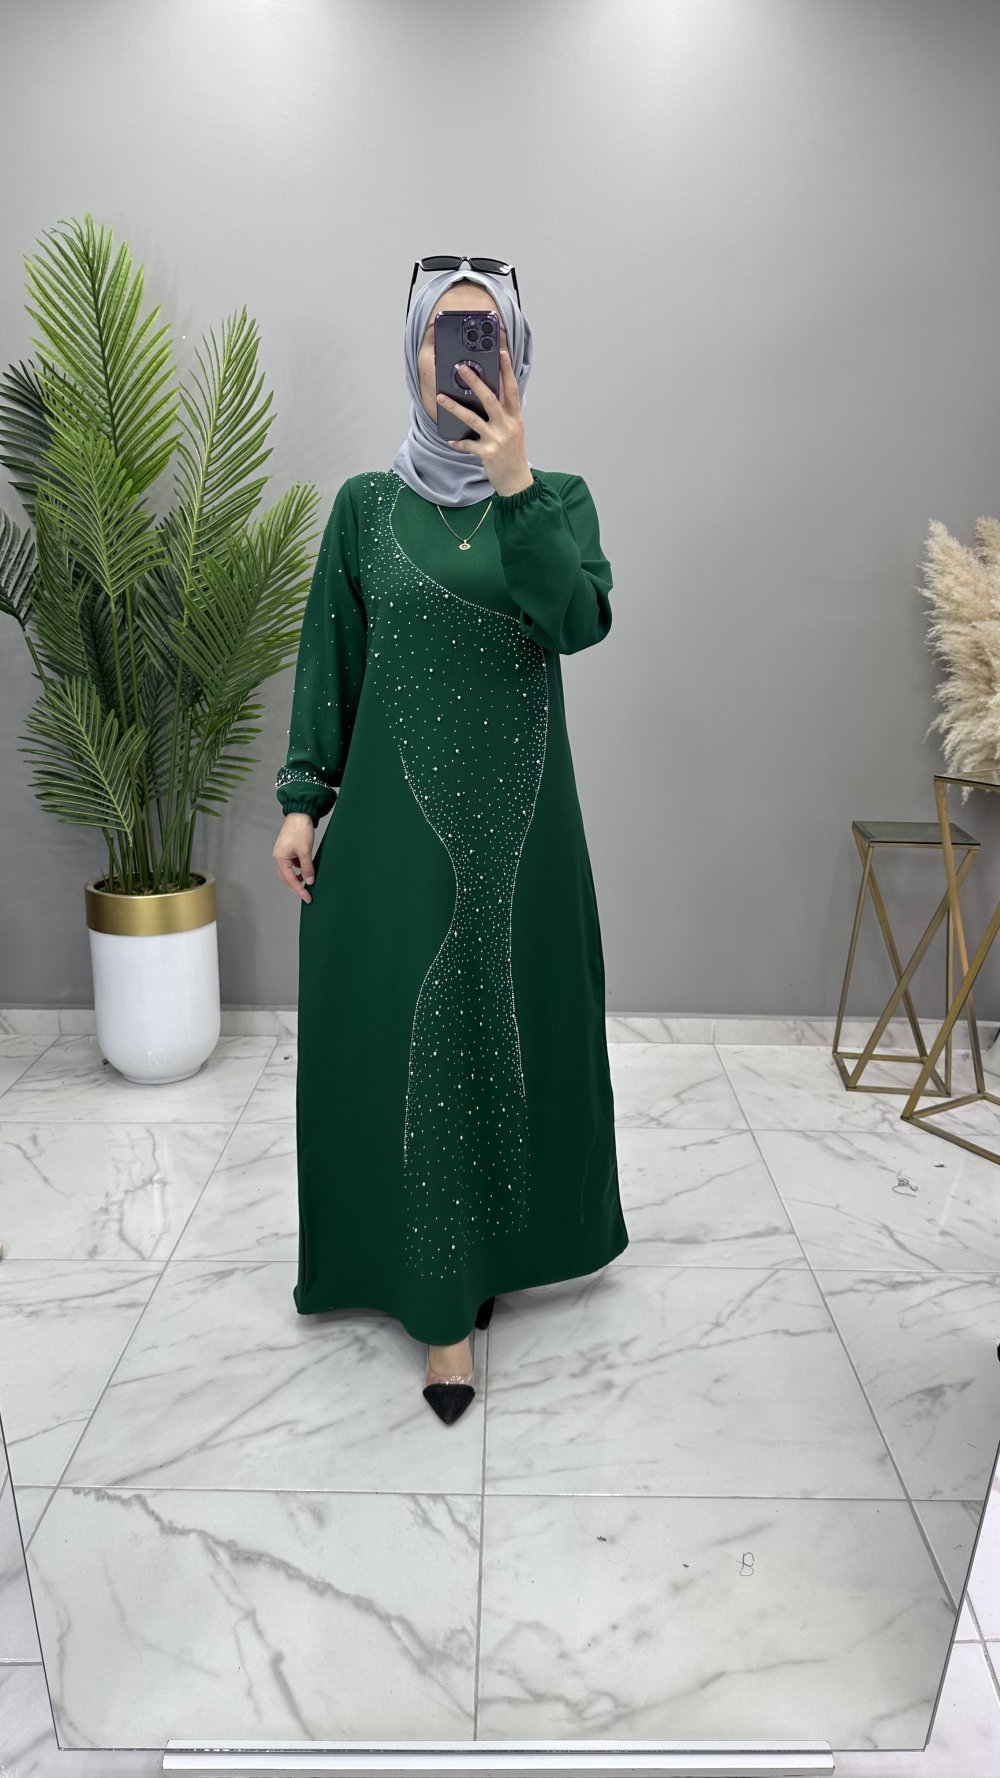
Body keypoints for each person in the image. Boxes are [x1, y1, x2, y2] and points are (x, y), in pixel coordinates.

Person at [272, 259, 629, 1424]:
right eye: (445, 333)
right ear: (414, 352)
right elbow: (331, 655)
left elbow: (575, 621)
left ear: (516, 352)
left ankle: (495, 1253)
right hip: (395, 832)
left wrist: (514, 485)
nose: (465, 355)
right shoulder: (363, 507)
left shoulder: (558, 497)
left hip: (517, 829)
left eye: (487, 334)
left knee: (498, 1026)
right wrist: (302, 798)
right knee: (411, 1036)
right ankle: (438, 1309)